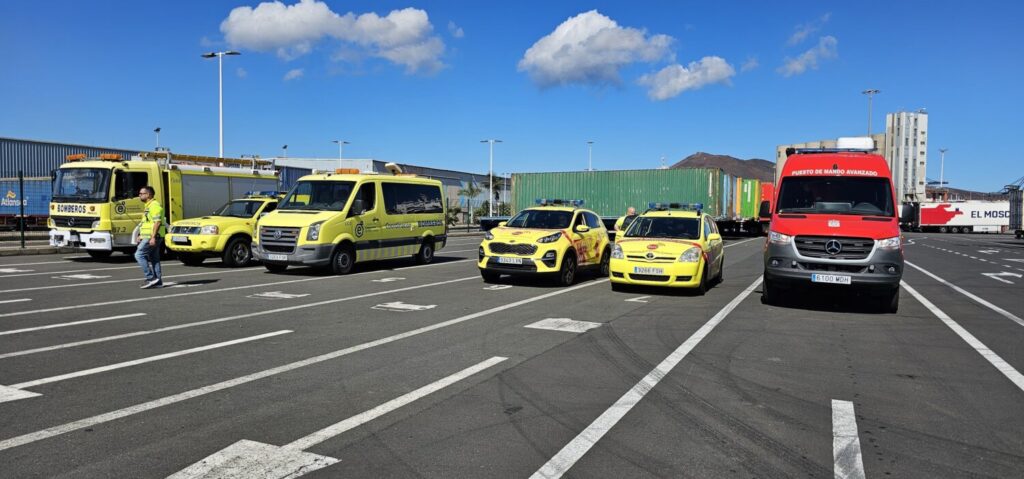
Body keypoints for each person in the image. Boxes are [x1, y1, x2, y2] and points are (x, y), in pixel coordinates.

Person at [136, 186, 166, 289]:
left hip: (152, 236)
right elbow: (147, 223)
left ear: (148, 195)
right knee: (154, 259)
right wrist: (140, 235)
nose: (139, 195)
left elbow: (157, 222)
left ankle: (151, 278)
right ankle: (158, 282)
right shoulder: (148, 206)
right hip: (149, 236)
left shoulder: (155, 206)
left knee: (139, 254)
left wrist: (153, 237)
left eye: (141, 193)